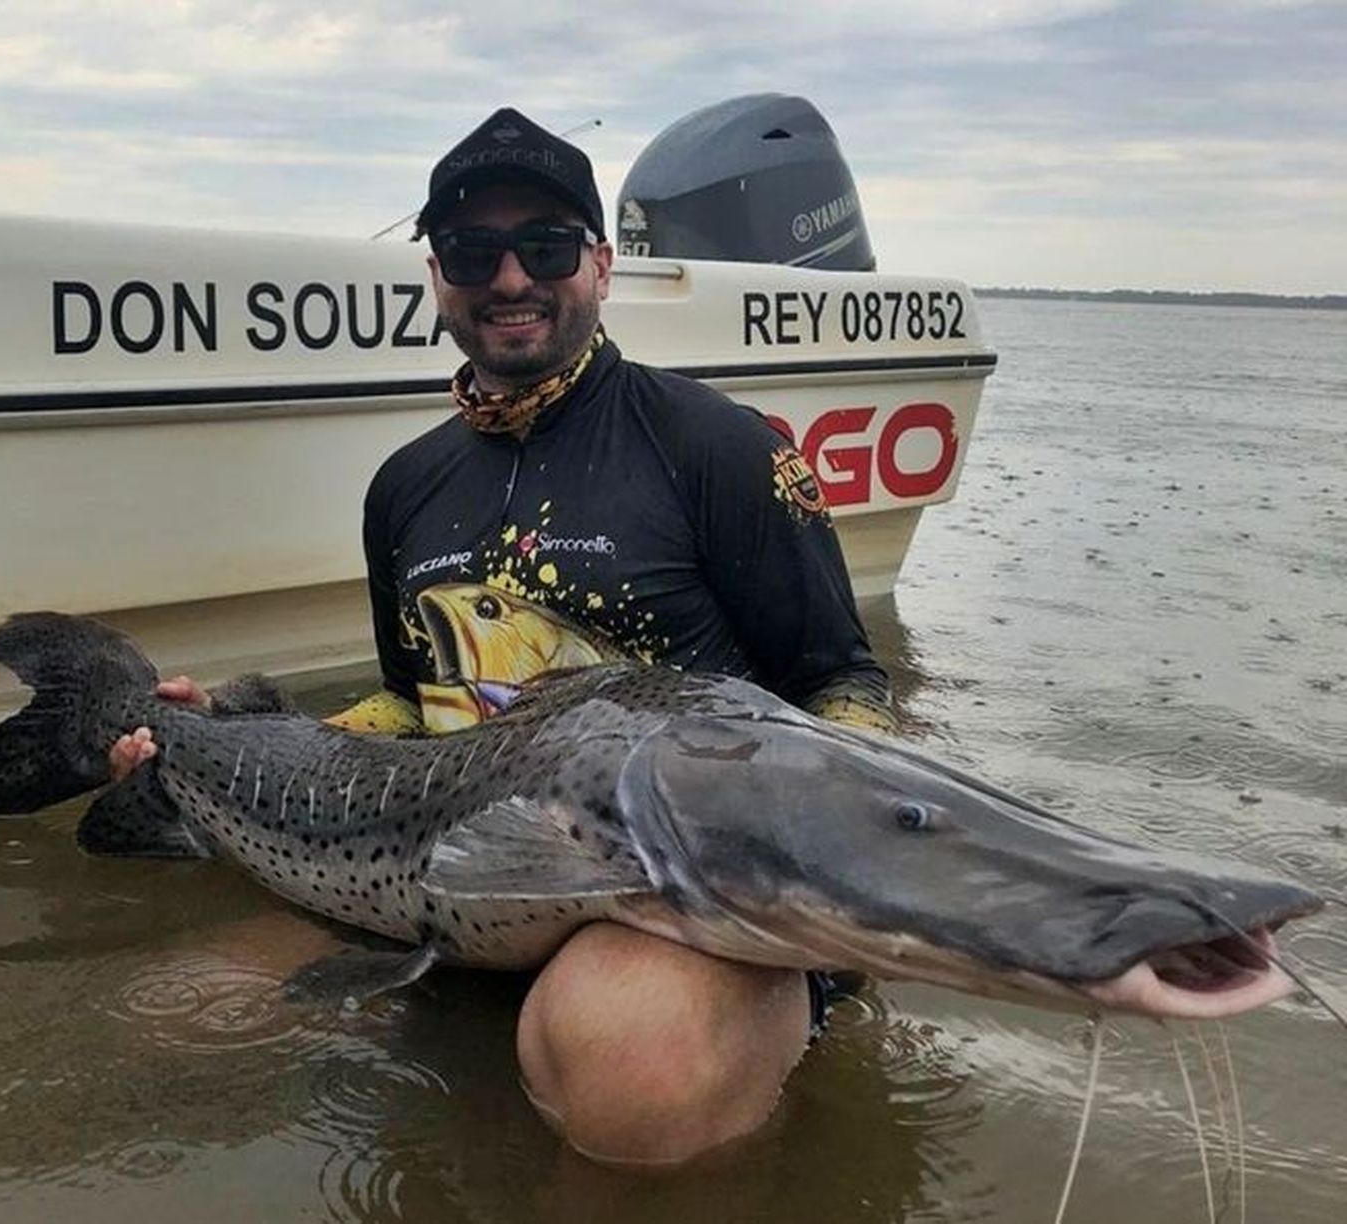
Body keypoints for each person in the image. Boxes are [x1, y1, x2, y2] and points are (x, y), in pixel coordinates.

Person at [113, 107, 894, 1166]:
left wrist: (844, 895)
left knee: (628, 1075)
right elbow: (406, 705)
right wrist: (235, 737)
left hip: (656, 906)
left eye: (547, 245)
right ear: (439, 275)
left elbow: (841, 683)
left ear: (603, 264)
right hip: (438, 879)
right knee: (167, 1016)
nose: (512, 277)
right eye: (476, 252)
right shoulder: (406, 486)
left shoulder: (718, 447)